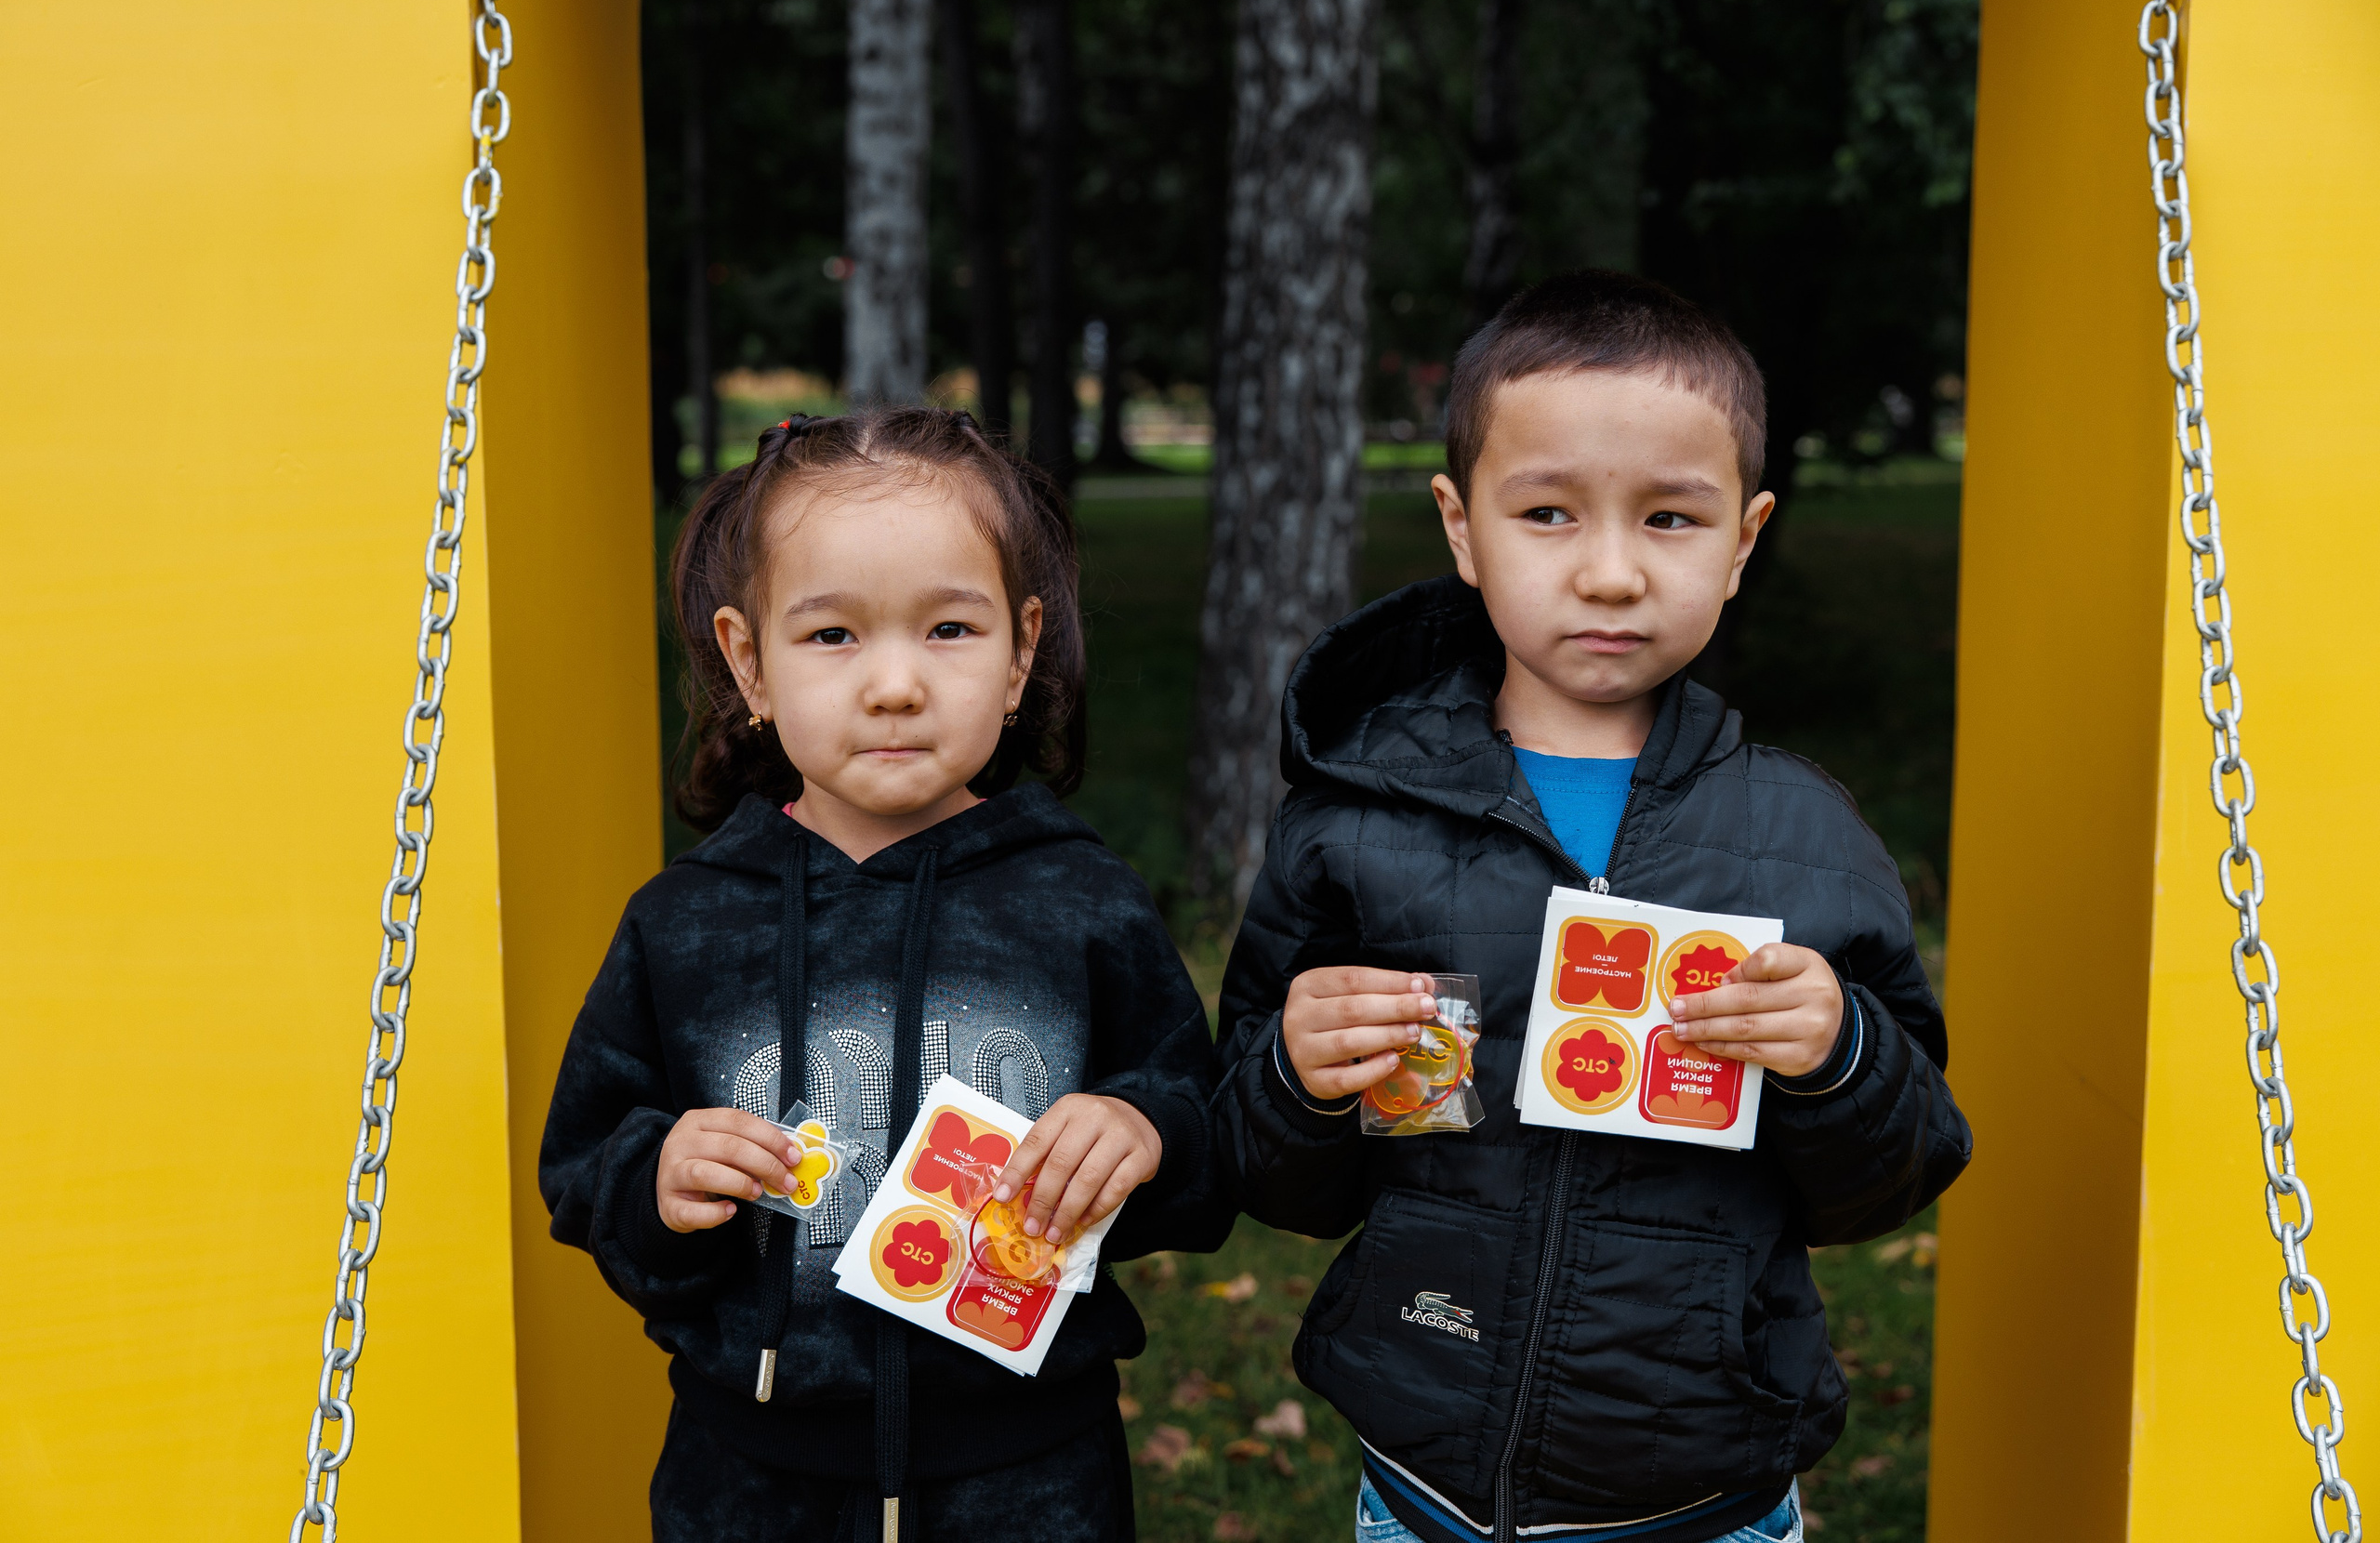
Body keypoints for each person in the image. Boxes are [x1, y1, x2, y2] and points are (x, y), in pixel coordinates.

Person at [1211, 270, 1973, 1543]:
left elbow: (1893, 1175)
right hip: (1426, 1485)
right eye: (1550, 513)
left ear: (1744, 536)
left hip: (1708, 1493)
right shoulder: (1356, 823)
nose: (1612, 572)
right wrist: (1295, 1076)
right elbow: (1268, 1170)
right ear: (1462, 528)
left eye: (1671, 518)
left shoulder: (1810, 841)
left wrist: (1839, 1054)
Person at [541, 408, 1225, 1543]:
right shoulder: (685, 924)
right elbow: (583, 1168)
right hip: (746, 1481)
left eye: (949, 630)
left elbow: (1203, 1144)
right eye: (833, 637)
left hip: (1033, 1477)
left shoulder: (1081, 900)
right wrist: (655, 1173)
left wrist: (1143, 1130)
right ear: (748, 661)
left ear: (1020, 653)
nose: (896, 684)